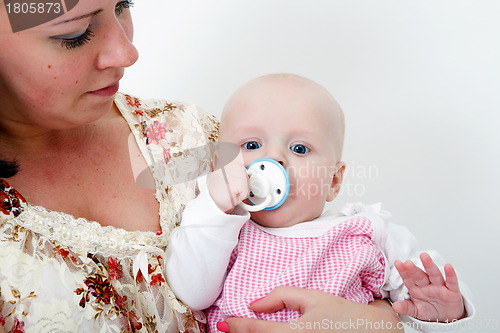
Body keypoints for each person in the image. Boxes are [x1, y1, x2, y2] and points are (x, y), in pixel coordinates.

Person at [0, 1, 407, 332]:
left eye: (123, 5)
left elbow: (403, 300)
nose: (127, 52)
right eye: (74, 32)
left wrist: (381, 323)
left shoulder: (191, 136)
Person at [165, 74, 475, 332]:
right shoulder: (221, 231)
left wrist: (445, 310)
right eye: (251, 145)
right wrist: (214, 206)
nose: (273, 159)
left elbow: (416, 295)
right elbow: (192, 293)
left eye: (299, 148)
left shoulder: (363, 231)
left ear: (334, 181)